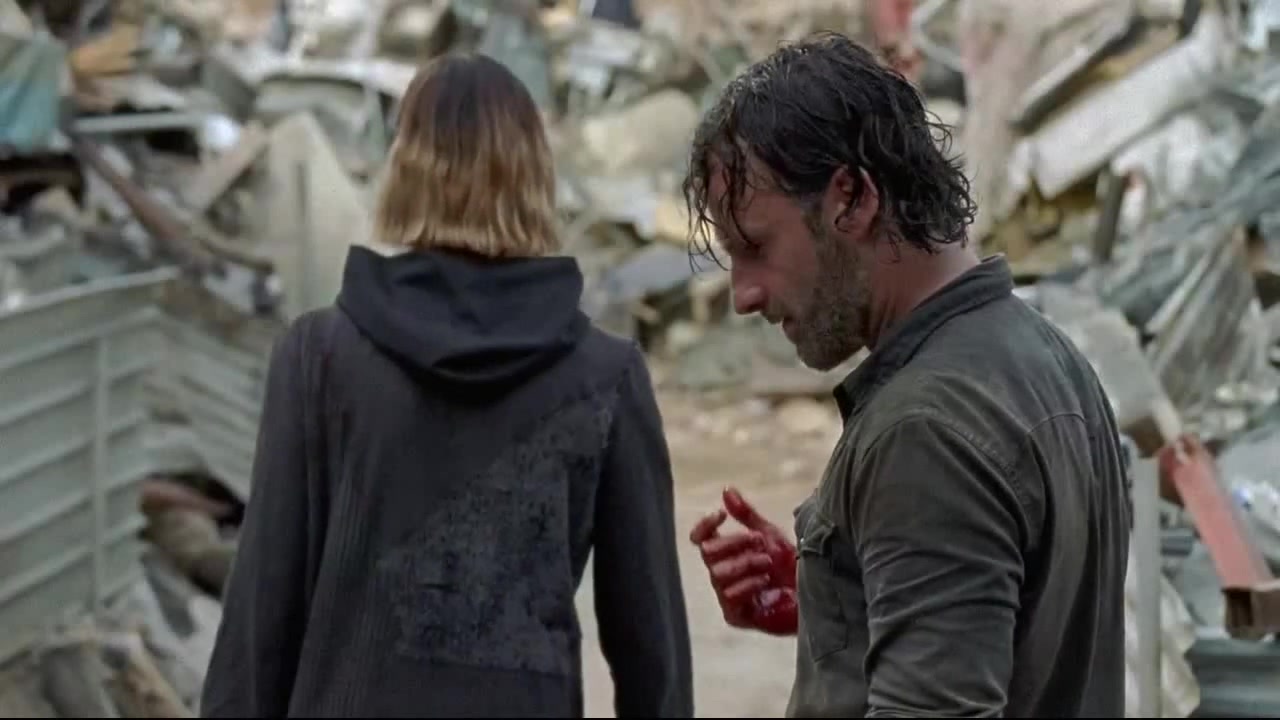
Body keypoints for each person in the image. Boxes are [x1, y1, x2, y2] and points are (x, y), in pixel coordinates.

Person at [201, 53, 694, 719]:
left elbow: (262, 615)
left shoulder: (319, 358)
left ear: (404, 172)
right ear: (534, 176)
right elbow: (652, 650)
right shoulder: (605, 376)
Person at [683, 33, 1131, 718]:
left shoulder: (925, 431)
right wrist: (839, 599)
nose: (743, 295)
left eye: (756, 246)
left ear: (853, 198)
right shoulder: (1046, 357)